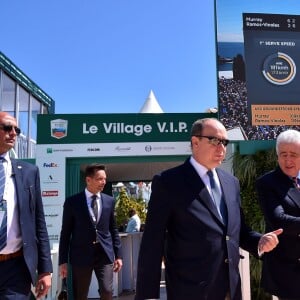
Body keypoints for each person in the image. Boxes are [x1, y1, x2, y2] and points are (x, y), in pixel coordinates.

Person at [135, 118, 283, 300]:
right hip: (190, 292)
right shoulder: (168, 182)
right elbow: (152, 243)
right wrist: (147, 295)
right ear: (195, 142)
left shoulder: (231, 183)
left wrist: (259, 242)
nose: (222, 148)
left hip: (231, 289)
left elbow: (239, 232)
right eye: (215, 141)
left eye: (225, 142)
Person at [0, 111, 52, 299]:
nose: (14, 133)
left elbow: (39, 222)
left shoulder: (29, 172)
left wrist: (45, 270)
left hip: (15, 267)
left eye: (17, 129)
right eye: (7, 127)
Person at [59, 163, 123, 300]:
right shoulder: (72, 202)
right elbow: (65, 233)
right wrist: (62, 261)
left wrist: (118, 255)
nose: (104, 182)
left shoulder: (109, 201)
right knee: (80, 295)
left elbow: (113, 229)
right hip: (81, 255)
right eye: (100, 179)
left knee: (107, 291)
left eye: (105, 179)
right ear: (88, 180)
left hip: (104, 254)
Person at [256, 129, 300, 300]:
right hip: (288, 273)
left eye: (294, 155)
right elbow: (278, 220)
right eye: (283, 154)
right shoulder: (267, 183)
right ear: (277, 156)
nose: (288, 160)